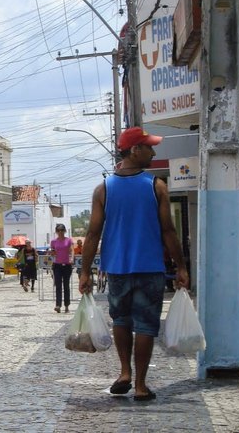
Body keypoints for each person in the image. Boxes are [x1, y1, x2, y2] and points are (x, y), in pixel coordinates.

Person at [79, 127, 188, 402]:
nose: (153, 152)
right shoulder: (156, 186)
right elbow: (168, 231)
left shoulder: (103, 189)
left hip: (116, 268)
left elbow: (93, 234)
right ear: (134, 150)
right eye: (149, 147)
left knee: (122, 320)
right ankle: (140, 385)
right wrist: (181, 266)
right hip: (150, 268)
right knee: (146, 326)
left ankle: (125, 372)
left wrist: (84, 272)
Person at [50, 224, 74, 313]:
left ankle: (67, 305)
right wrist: (51, 253)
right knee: (58, 285)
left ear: (64, 231)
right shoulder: (53, 241)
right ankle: (58, 305)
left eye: (62, 230)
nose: (60, 232)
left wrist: (71, 258)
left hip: (67, 265)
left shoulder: (68, 240)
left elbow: (72, 250)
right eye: (58, 230)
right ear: (56, 232)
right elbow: (52, 252)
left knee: (66, 285)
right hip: (57, 265)